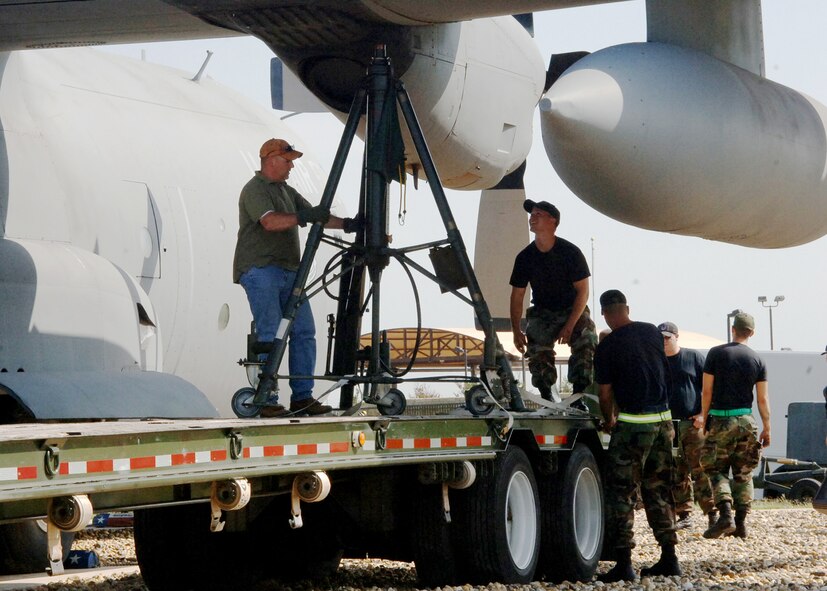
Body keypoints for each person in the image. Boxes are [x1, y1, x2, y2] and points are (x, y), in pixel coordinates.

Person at [233, 138, 358, 418]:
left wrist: (349, 224)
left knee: (303, 332)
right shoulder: (255, 190)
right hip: (261, 269)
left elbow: (317, 216)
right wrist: (304, 216)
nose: (291, 166)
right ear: (271, 160)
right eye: (288, 161)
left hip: (289, 271)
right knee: (271, 332)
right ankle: (267, 397)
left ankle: (302, 397)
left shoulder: (286, 191)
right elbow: (270, 222)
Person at [594, 290, 679, 582]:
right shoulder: (651, 332)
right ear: (627, 308)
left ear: (604, 313)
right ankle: (669, 558)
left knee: (621, 493)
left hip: (632, 424)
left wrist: (609, 421)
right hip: (664, 422)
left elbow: (604, 393)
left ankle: (624, 563)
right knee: (658, 489)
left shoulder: (606, 347)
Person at [509, 200, 597, 401]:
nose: (532, 218)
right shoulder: (525, 257)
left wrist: (570, 325)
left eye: (538, 214)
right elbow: (517, 296)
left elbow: (583, 292)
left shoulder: (570, 252)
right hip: (542, 311)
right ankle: (546, 395)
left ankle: (578, 396)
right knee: (537, 348)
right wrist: (516, 330)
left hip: (572, 309)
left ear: (553, 221)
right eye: (531, 215)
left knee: (586, 340)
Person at [697, 312, 770, 539]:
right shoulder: (758, 360)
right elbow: (762, 400)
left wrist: (704, 418)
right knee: (744, 472)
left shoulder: (716, 354)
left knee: (715, 469)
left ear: (733, 329)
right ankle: (740, 524)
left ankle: (726, 513)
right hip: (747, 421)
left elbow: (706, 391)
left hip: (720, 418)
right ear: (752, 333)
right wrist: (767, 427)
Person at [658, 321, 716, 530]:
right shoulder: (656, 361)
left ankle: (712, 513)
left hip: (692, 424)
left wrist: (703, 415)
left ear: (676, 337)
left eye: (667, 337)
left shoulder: (693, 358)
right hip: (666, 425)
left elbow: (709, 389)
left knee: (700, 469)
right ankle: (684, 515)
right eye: (661, 338)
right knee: (676, 472)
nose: (664, 341)